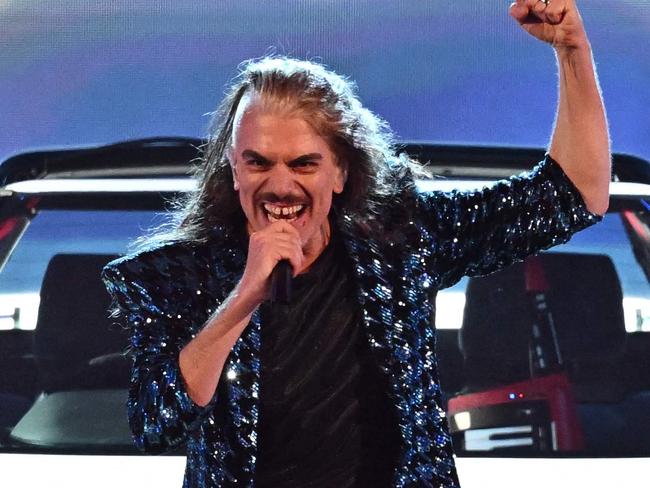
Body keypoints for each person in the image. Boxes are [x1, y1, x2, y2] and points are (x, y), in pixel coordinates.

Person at [102, 1, 610, 486]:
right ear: (233, 169)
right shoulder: (170, 277)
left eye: (303, 164)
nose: (280, 185)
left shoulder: (402, 242)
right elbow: (156, 424)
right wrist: (242, 298)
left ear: (342, 171)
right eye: (257, 162)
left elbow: (573, 194)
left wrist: (573, 51)